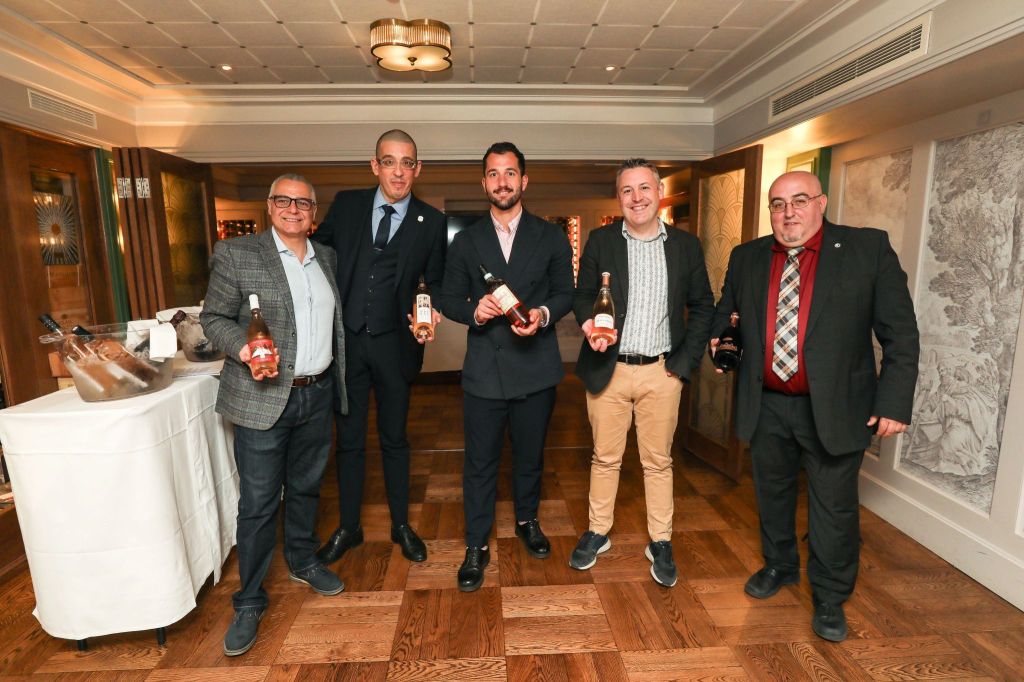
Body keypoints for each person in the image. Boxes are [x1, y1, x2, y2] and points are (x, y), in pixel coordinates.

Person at [710, 170, 919, 642]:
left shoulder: (867, 250)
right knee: (772, 496)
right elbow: (728, 314)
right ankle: (780, 565)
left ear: (821, 203)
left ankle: (829, 594)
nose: (788, 213)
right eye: (778, 203)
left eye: (799, 200)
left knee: (833, 508)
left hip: (835, 406)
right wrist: (720, 341)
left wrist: (894, 402)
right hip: (765, 403)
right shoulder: (747, 257)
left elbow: (900, 333)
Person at [201, 174, 347, 656]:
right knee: (260, 503)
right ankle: (248, 600)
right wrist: (244, 348)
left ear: (314, 212)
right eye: (283, 200)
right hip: (262, 395)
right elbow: (214, 318)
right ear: (269, 207)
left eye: (302, 203)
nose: (292, 209)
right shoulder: (238, 254)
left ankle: (303, 561)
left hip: (316, 393)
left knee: (306, 487)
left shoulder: (325, 258)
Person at [569, 158, 715, 588]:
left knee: (658, 462)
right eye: (628, 190)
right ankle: (598, 532)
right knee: (604, 458)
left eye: (644, 188)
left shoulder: (686, 247)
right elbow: (582, 298)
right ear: (620, 197)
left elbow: (704, 306)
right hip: (609, 369)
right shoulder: (600, 241)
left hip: (661, 372)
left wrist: (682, 366)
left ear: (658, 193)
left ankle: (661, 541)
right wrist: (589, 326)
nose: (636, 198)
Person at [439, 141, 575, 592]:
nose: (502, 182)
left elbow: (565, 293)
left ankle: (527, 519)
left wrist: (543, 316)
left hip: (536, 367)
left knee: (530, 456)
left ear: (524, 180)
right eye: (494, 174)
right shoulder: (466, 241)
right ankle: (476, 544)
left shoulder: (550, 235)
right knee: (479, 463)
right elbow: (448, 299)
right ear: (484, 183)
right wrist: (473, 312)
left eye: (510, 173)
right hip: (484, 371)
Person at [311, 130, 446, 566]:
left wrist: (433, 310)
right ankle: (349, 527)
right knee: (348, 440)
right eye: (390, 161)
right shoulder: (347, 205)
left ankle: (401, 525)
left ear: (417, 169)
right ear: (375, 166)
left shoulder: (431, 221)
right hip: (348, 342)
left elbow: (436, 283)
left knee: (395, 439)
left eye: (407, 163)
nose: (399, 171)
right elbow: (315, 258)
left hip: (396, 345)